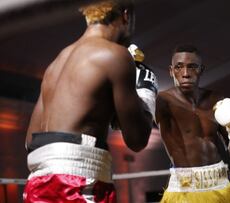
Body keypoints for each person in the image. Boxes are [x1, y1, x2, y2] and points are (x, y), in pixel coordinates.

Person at [23, 1, 157, 202]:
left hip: (37, 184)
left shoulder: (57, 62)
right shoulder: (115, 55)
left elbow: (29, 142)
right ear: (126, 15)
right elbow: (137, 140)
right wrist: (147, 93)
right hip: (78, 183)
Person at [155, 44, 230, 203]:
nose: (185, 74)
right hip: (184, 191)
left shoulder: (216, 100)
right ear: (171, 71)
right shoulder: (162, 102)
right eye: (179, 67)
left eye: (192, 67)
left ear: (201, 69)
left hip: (221, 186)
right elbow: (137, 121)